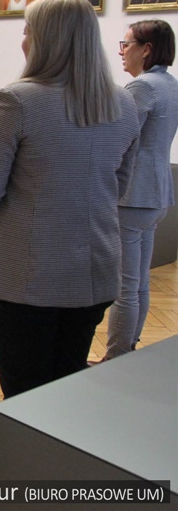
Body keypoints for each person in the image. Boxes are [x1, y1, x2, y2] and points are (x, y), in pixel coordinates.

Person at [0, 0, 140, 399]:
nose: (23, 39)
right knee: (65, 389)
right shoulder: (124, 103)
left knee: (24, 396)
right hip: (93, 272)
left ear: (43, 40)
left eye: (27, 30)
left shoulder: (17, 100)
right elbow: (120, 186)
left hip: (28, 276)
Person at [104, 20, 178, 361]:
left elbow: (117, 142)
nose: (122, 52)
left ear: (146, 49)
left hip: (132, 194)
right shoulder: (170, 84)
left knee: (125, 286)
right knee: (138, 281)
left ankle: (116, 358)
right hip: (156, 193)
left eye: (126, 44)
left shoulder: (142, 88)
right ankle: (127, 351)